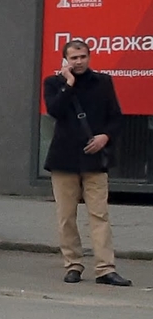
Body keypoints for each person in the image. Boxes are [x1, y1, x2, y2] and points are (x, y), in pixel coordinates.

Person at [42, 36, 129, 287]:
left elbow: (116, 117)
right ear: (65, 60)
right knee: (66, 216)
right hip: (64, 159)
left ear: (89, 57)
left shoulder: (103, 82)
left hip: (95, 159)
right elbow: (55, 111)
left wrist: (105, 136)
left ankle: (105, 269)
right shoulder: (54, 83)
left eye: (82, 57)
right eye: (73, 58)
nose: (79, 62)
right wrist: (68, 83)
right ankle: (73, 265)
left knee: (99, 215)